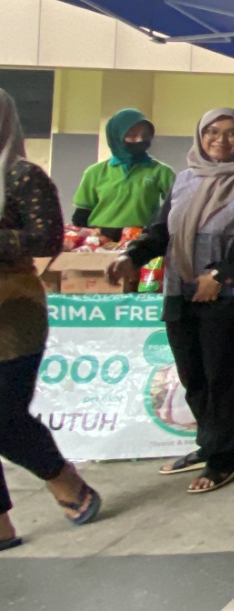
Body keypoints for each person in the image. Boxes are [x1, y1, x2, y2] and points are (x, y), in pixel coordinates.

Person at [111, 108, 234, 494]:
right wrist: (132, 256)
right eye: (212, 132)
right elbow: (160, 230)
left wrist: (218, 276)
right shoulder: (184, 179)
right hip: (181, 288)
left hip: (232, 294)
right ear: (200, 136)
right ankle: (208, 444)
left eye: (232, 133)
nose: (221, 140)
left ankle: (223, 457)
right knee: (192, 374)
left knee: (224, 375)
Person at [0, 90, 101, 550]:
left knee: (4, 413)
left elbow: (47, 238)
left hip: (12, 308)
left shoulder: (22, 175)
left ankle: (61, 476)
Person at [72, 108, 176, 239]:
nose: (140, 140)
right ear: (116, 137)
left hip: (140, 239)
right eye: (132, 135)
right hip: (100, 239)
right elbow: (81, 214)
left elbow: (177, 206)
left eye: (145, 135)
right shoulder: (94, 172)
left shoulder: (161, 172)